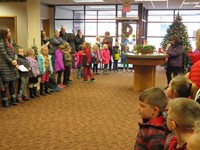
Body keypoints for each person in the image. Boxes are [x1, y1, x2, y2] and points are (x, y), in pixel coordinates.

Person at [0, 26, 19, 107]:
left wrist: (15, 59)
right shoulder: (1, 43)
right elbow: (4, 54)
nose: (10, 33)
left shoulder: (10, 41)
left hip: (12, 65)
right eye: (8, 32)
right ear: (4, 34)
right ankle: (4, 100)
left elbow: (14, 52)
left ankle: (12, 98)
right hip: (5, 66)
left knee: (12, 82)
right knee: (5, 83)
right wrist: (12, 61)